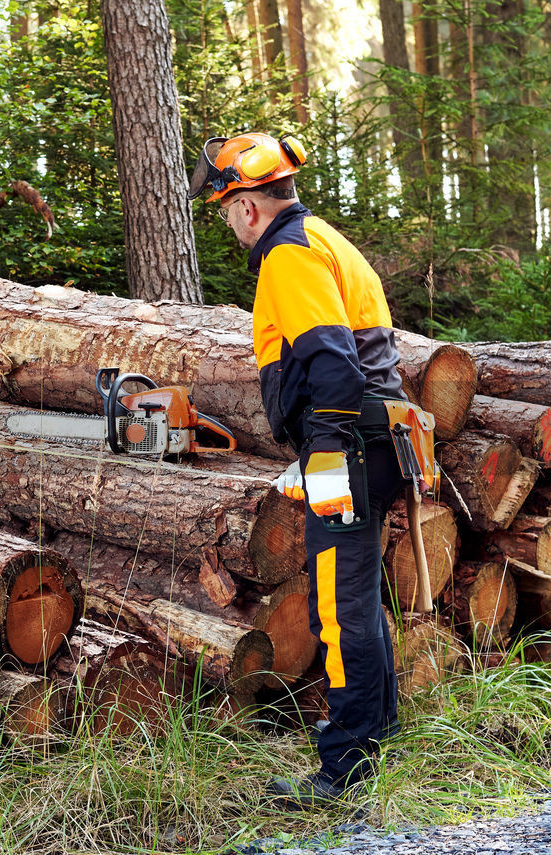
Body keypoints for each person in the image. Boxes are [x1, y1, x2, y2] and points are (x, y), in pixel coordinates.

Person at [190, 132, 408, 807]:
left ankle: (344, 769)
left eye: (227, 210)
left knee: (338, 608)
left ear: (249, 206)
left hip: (349, 445)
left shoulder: (286, 254)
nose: (230, 225)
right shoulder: (321, 239)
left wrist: (324, 455)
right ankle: (378, 730)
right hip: (373, 441)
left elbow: (335, 365)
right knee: (357, 595)